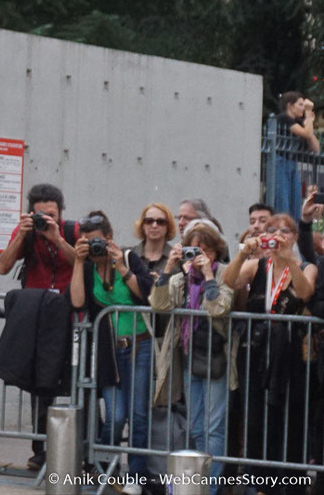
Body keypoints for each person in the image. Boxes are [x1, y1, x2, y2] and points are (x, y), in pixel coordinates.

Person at [224, 214, 317, 495]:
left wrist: (288, 260)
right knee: (256, 417)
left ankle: (288, 484)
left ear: (294, 237)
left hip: (290, 354)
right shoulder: (257, 265)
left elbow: (304, 293)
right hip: (257, 349)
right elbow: (230, 281)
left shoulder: (306, 266)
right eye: (272, 230)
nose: (278, 236)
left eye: (285, 231)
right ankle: (260, 482)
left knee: (287, 418)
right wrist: (243, 253)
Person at [149, 223, 235, 495]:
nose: (199, 257)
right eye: (193, 251)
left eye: (205, 251)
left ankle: (211, 488)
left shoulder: (223, 275)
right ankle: (196, 484)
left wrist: (208, 274)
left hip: (216, 360)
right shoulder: (180, 279)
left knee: (214, 429)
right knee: (197, 426)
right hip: (189, 359)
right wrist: (168, 268)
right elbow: (159, 304)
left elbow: (218, 307)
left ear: (215, 251)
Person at [0, 183, 77, 470]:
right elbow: (2, 266)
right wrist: (23, 236)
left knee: (71, 382)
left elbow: (81, 264)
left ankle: (70, 448)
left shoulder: (71, 231)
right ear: (31, 213)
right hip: (37, 316)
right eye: (40, 215)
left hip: (68, 316)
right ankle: (39, 449)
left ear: (60, 212)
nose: (45, 219)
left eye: (51, 214)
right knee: (39, 383)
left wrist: (56, 237)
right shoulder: (26, 234)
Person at [69, 211, 153, 479]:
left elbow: (146, 293)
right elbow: (78, 302)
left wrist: (120, 266)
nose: (93, 246)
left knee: (138, 416)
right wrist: (78, 262)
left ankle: (136, 475)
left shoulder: (128, 258)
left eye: (96, 241)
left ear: (108, 238)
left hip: (139, 347)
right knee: (116, 415)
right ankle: (106, 467)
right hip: (108, 352)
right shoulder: (87, 266)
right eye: (85, 241)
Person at [274, 91, 319, 221]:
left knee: (295, 201)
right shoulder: (283, 118)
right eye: (300, 104)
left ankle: (294, 231)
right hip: (280, 161)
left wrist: (308, 119)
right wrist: (309, 115)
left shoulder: (298, 121)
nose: (303, 108)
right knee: (283, 201)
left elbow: (315, 147)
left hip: (292, 162)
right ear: (290, 105)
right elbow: (305, 133)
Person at [127, 202, 176, 278]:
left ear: (168, 226)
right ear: (143, 225)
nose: (154, 226)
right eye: (149, 221)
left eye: (160, 222)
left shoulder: (176, 258)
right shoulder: (128, 255)